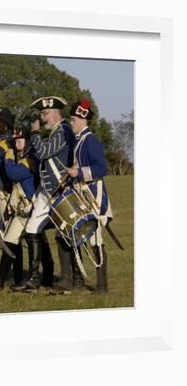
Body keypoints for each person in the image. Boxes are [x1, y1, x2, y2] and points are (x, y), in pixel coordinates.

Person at [51, 99, 113, 294]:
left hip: (93, 196)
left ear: (84, 120)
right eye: (72, 118)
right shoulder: (80, 140)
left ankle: (102, 286)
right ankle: (75, 280)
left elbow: (101, 168)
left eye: (75, 118)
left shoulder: (90, 140)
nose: (72, 122)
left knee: (95, 240)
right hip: (80, 194)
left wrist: (77, 172)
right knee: (68, 235)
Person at [14, 96, 74, 293]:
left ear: (57, 114)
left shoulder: (63, 130)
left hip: (59, 190)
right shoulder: (56, 131)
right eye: (42, 114)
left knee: (67, 235)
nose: (42, 117)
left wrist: (36, 133)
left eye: (45, 114)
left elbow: (43, 152)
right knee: (32, 229)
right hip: (47, 190)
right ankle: (34, 278)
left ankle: (72, 278)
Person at [0, 106, 24, 290]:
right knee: (14, 239)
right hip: (4, 193)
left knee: (11, 237)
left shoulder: (4, 142)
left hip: (7, 195)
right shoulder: (3, 140)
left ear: (2, 123)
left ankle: (0, 280)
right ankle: (17, 278)